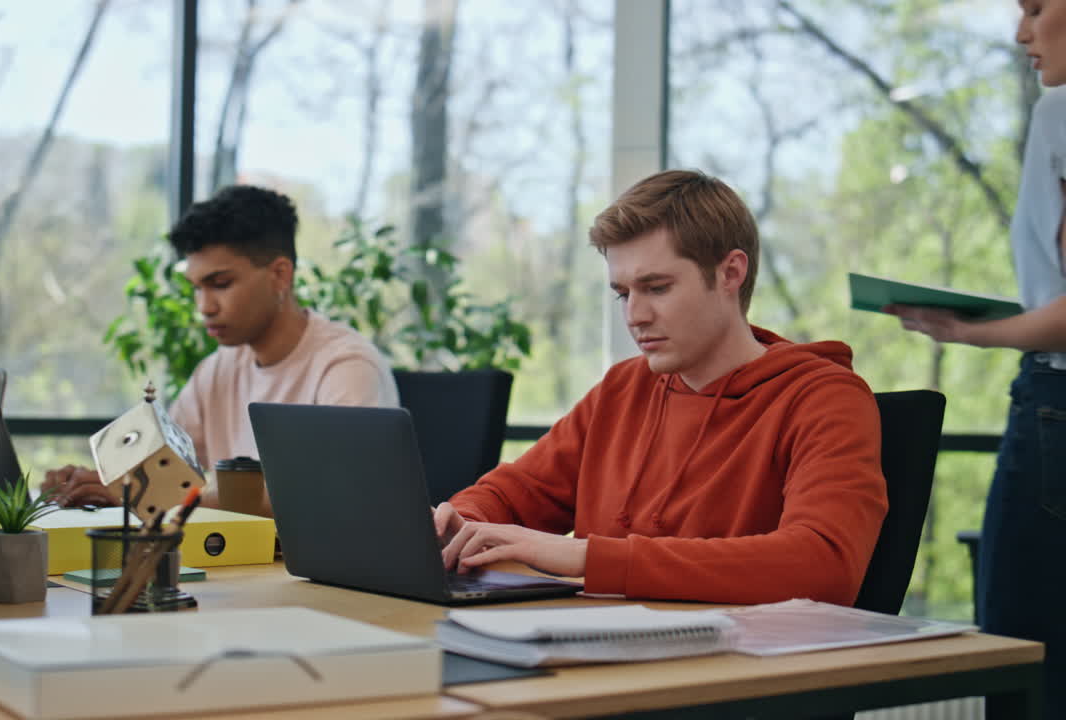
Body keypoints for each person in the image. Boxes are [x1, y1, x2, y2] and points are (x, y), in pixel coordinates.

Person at [434, 169, 888, 606]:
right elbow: (513, 494)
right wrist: (461, 523)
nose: (634, 315)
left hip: (732, 670)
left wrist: (587, 558)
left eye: (657, 288)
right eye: (622, 293)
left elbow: (823, 567)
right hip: (602, 654)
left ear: (731, 274)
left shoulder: (825, 398)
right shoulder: (622, 388)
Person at [884, 2, 1066, 715]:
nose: (1021, 32)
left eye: (1037, 7)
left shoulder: (1060, 113)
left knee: (1027, 664)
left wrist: (963, 331)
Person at [45, 185, 398, 513]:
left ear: (280, 275)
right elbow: (162, 470)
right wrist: (96, 482)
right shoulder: (215, 371)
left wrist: (145, 494)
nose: (205, 306)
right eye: (197, 288)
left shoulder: (346, 365)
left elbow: (329, 497)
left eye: (221, 284)